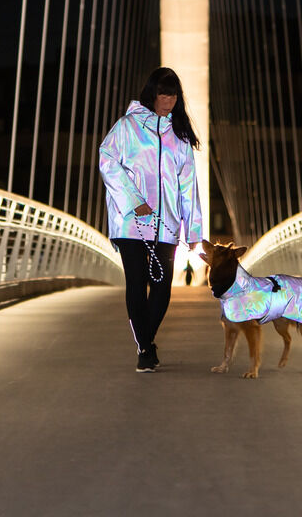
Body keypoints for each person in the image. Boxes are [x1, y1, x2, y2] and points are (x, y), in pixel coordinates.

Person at [98, 66, 203, 372]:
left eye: (172, 94)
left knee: (162, 286)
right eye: (162, 93)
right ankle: (145, 349)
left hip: (166, 223)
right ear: (152, 93)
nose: (167, 100)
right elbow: (107, 160)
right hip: (130, 220)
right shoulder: (128, 126)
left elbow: (189, 186)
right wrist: (133, 200)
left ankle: (145, 340)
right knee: (136, 282)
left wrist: (193, 229)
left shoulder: (180, 135)